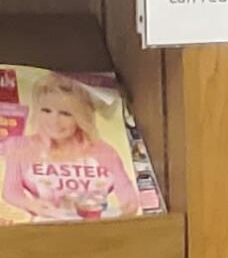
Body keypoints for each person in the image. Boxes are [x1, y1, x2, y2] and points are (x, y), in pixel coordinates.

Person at [0, 73, 145, 220]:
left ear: (80, 117)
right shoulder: (19, 146)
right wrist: (31, 204)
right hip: (41, 230)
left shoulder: (104, 151)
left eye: (65, 113)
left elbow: (126, 189)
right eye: (46, 110)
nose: (54, 121)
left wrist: (129, 207)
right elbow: (11, 190)